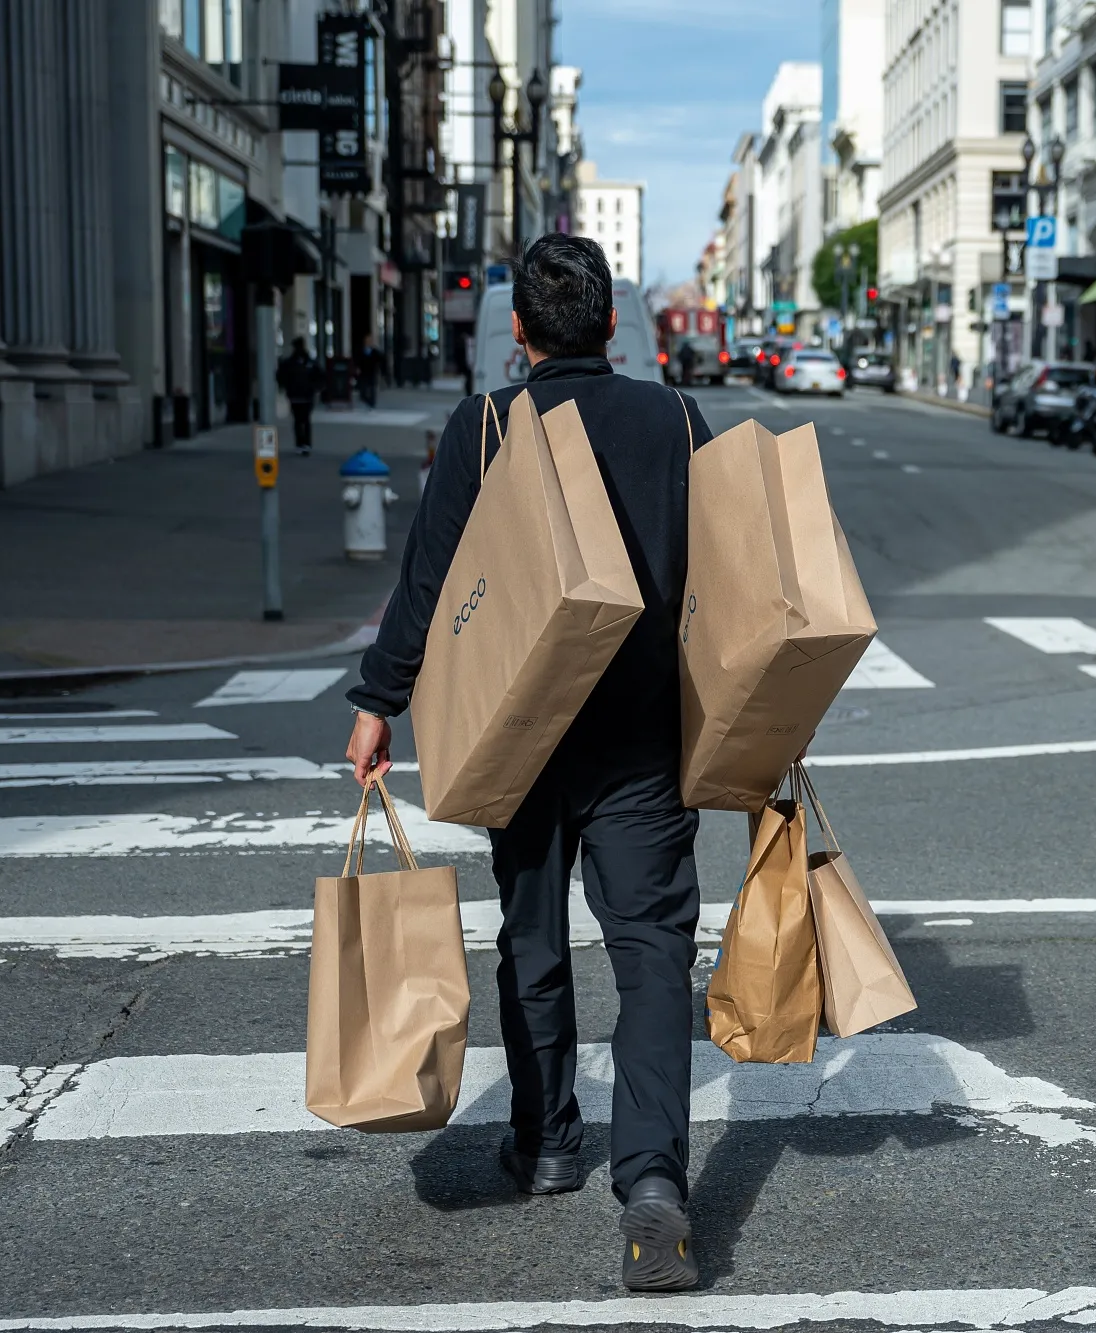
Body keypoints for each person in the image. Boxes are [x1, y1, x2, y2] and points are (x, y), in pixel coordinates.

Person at [344, 234, 711, 1294]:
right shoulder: (676, 419)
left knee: (532, 930)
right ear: (609, 325)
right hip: (644, 734)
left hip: (525, 723)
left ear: (518, 332)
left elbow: (427, 581)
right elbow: (728, 572)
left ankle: (547, 1140)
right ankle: (652, 1185)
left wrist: (378, 700)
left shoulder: (492, 421)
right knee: (650, 953)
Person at [277, 337, 321, 455]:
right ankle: (305, 443)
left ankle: (300, 443)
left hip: (297, 395)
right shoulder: (309, 362)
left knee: (298, 421)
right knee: (305, 420)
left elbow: (280, 377)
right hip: (305, 395)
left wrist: (286, 387)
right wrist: (315, 388)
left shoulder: (289, 363)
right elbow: (319, 376)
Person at [356, 338, 386, 408]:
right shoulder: (361, 351)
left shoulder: (375, 352)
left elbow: (381, 361)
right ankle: (366, 399)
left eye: (370, 342)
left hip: (372, 372)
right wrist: (357, 368)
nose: (368, 343)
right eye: (367, 342)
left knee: (372, 388)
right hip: (364, 373)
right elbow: (358, 361)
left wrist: (382, 371)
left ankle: (372, 403)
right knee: (363, 389)